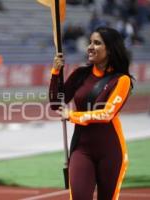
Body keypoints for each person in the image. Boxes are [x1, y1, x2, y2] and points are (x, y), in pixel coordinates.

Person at [49, 27, 134, 200]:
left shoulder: (121, 80)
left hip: (111, 152)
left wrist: (73, 115)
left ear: (110, 49)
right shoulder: (80, 74)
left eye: (97, 43)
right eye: (90, 42)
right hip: (81, 149)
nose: (90, 47)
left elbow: (106, 114)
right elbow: (56, 103)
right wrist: (55, 72)